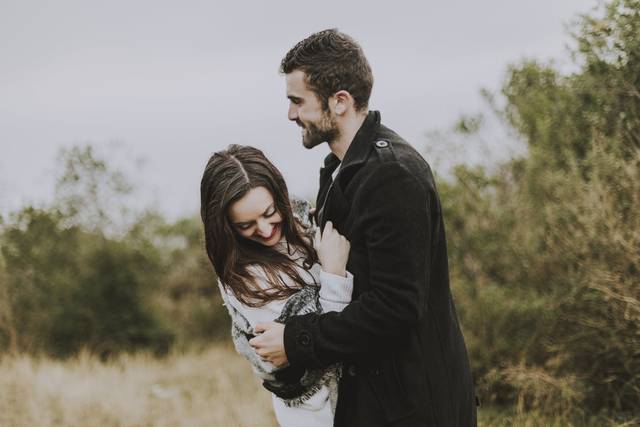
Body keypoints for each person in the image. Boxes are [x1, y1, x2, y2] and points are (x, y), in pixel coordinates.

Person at [248, 29, 478, 426]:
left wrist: (296, 340)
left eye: (297, 101)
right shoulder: (341, 170)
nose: (290, 114)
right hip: (376, 404)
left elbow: (396, 307)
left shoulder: (392, 175)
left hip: (413, 408)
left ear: (339, 101)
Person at [200, 144, 354, 427]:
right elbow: (320, 345)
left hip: (357, 399)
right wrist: (334, 273)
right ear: (226, 228)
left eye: (270, 212)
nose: (265, 229)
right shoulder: (245, 278)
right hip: (315, 413)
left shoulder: (302, 223)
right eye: (246, 225)